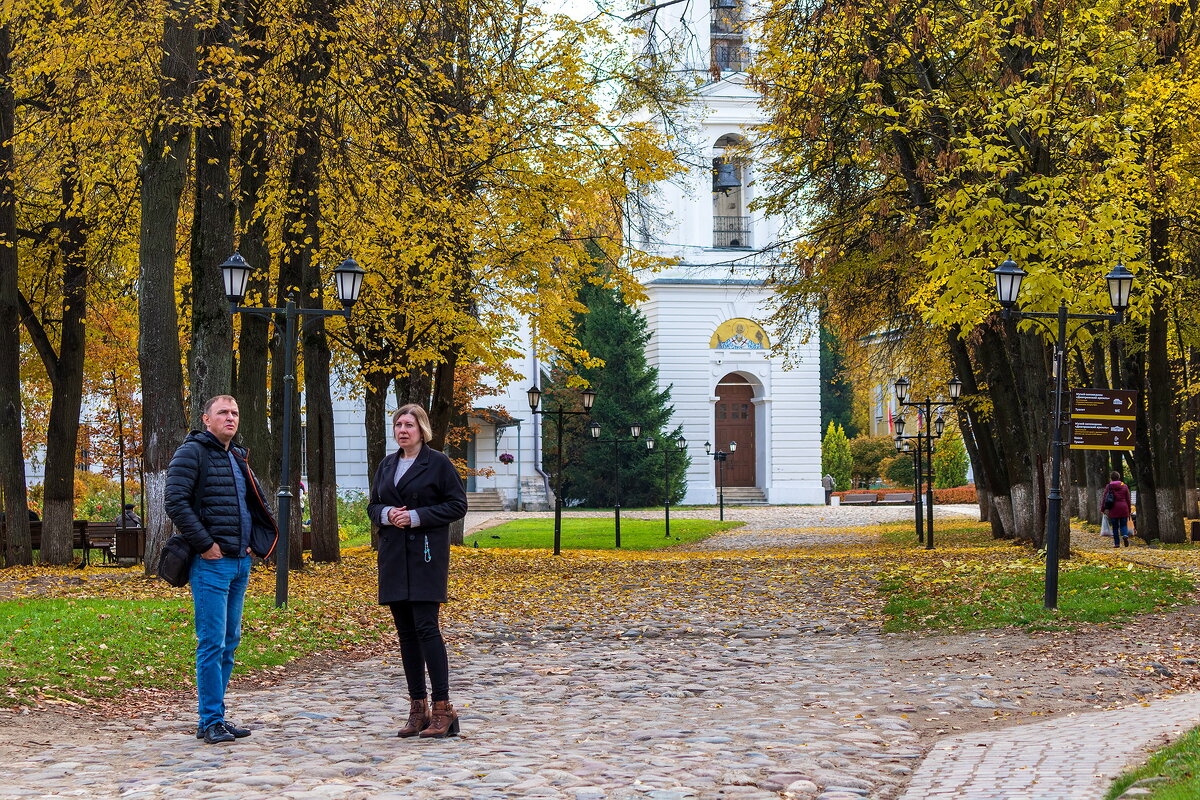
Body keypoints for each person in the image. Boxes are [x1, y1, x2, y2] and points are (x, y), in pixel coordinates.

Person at [165, 395, 279, 745]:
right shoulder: (192, 453)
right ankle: (209, 719)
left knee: (230, 643)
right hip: (210, 564)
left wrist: (252, 545)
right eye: (223, 413)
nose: (231, 418)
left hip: (239, 563)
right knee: (212, 643)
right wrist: (205, 544)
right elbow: (175, 502)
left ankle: (215, 716)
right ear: (206, 419)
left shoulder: (237, 456)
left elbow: (250, 505)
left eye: (235, 412)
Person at [368, 404, 468, 739]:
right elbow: (373, 504)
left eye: (409, 424)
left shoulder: (437, 463)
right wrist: (387, 514)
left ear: (422, 429)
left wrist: (416, 516)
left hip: (426, 556)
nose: (402, 430)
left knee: (426, 629)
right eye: (398, 424)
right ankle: (417, 708)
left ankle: (442, 708)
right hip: (394, 556)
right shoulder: (387, 464)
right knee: (406, 634)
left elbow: (457, 504)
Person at [1102, 470, 1133, 548]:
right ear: (1119, 477)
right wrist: (1129, 509)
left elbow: (1104, 499)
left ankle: (1117, 544)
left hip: (1113, 509)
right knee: (1123, 525)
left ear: (1111, 478)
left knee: (1115, 527)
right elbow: (1128, 499)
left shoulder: (1108, 486)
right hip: (1124, 508)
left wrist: (1103, 509)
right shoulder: (1124, 486)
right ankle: (1125, 535)